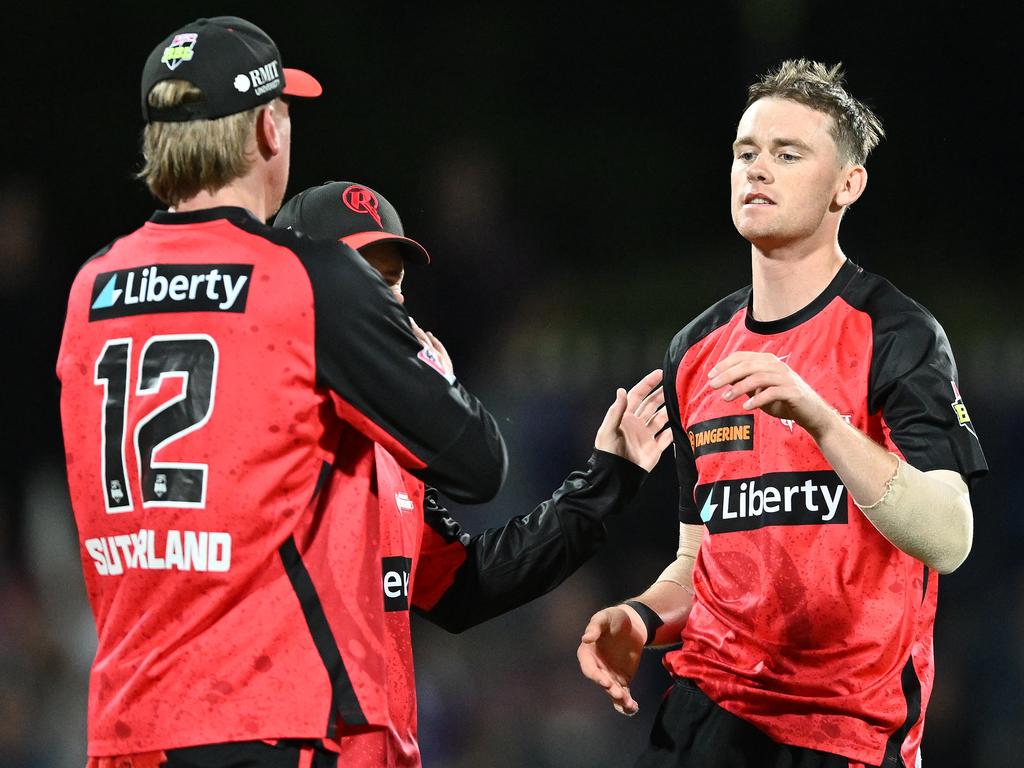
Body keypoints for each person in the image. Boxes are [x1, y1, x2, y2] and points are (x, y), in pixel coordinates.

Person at [56, 18, 508, 768]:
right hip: (264, 718)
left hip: (130, 722)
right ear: (268, 128)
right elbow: (477, 462)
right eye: (286, 111)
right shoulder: (305, 278)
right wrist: (433, 366)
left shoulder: (89, 287)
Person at [577, 59, 988, 768]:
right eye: (746, 152)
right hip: (706, 714)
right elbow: (698, 559)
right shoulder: (695, 350)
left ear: (847, 186)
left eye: (788, 154)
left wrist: (824, 421)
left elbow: (949, 538)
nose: (757, 169)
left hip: (846, 731)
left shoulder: (895, 334)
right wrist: (643, 618)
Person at [273, 180, 674, 766]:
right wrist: (434, 391)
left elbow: (464, 585)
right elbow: (480, 467)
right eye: (360, 278)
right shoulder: (270, 422)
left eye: (391, 281)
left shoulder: (388, 444)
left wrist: (606, 481)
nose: (385, 301)